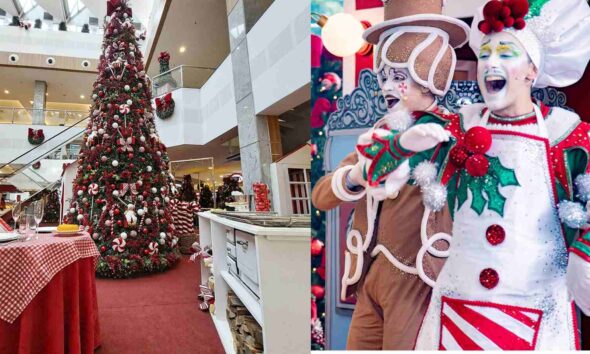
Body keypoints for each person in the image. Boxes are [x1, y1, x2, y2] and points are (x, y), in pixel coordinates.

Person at [357, 0, 590, 349]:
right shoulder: (457, 127)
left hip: (535, 314)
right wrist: (404, 142)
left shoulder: (567, 135)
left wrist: (584, 252)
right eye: (486, 54)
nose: (490, 63)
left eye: (506, 53)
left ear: (532, 69)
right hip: (456, 314)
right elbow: (374, 171)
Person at [311, 0, 469, 349]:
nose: (386, 86)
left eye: (398, 77)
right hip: (370, 274)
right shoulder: (377, 137)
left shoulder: (451, 137)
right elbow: (321, 196)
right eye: (384, 76)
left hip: (417, 281)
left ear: (430, 77)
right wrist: (359, 173)